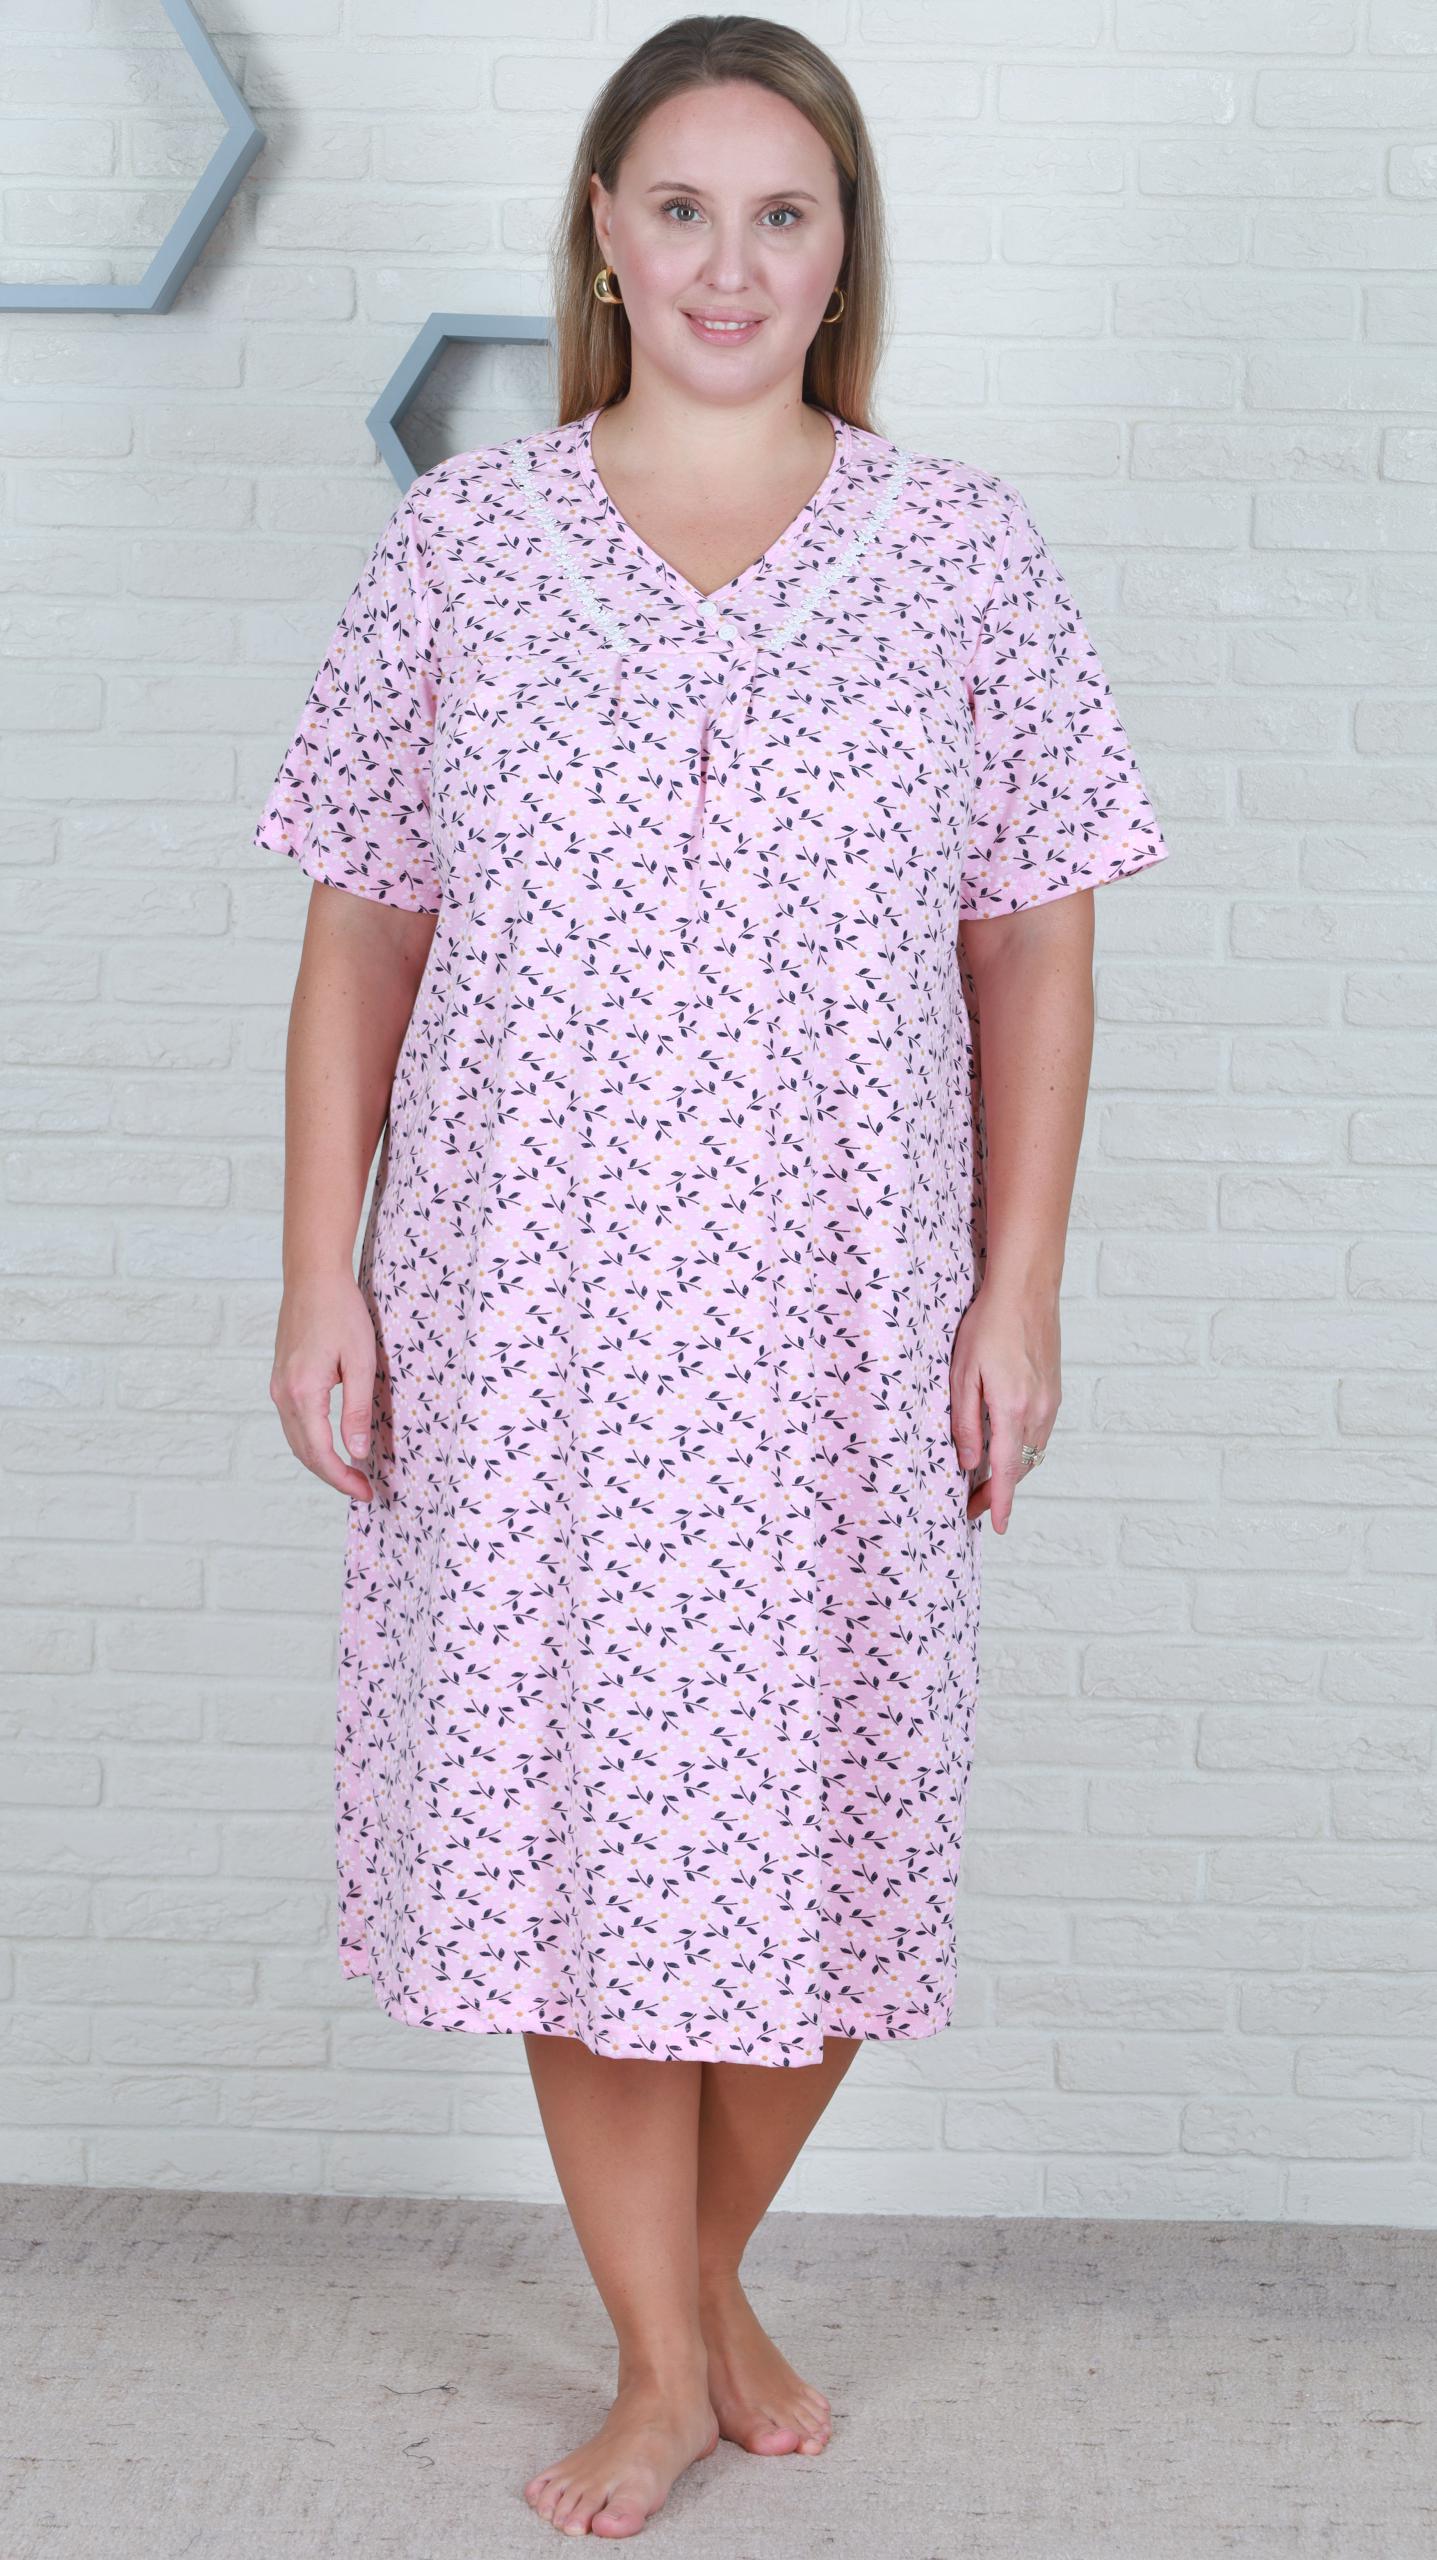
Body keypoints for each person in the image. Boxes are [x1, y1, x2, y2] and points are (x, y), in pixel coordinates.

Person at [255, 14, 1172, 2542]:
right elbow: (360, 932)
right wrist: (320, 1268)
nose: (728, 264)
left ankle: (695, 2287)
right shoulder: (462, 548)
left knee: (832, 1820)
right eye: (681, 209)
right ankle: (667, 2361)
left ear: (843, 246)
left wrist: (1017, 1289)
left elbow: (1034, 941)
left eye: (782, 213)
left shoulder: (960, 550)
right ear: (601, 232)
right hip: (521, 1306)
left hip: (837, 1310)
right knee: (561, 1825)